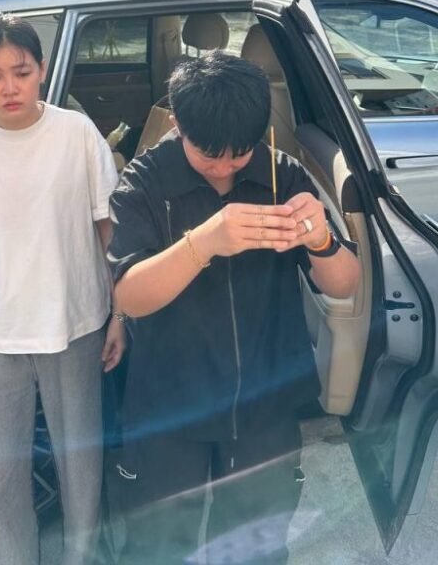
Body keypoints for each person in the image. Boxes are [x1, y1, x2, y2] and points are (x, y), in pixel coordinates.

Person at [108, 51, 361, 564]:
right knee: (158, 546)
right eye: (209, 154)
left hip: (265, 400)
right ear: (177, 125)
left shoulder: (281, 175)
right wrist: (205, 241)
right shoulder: (145, 182)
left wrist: (321, 241)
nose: (224, 166)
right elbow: (129, 295)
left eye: (239, 154)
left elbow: (345, 283)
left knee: (255, 545)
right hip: (169, 404)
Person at [0, 13, 125, 565]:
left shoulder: (76, 134)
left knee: (81, 463)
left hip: (75, 323)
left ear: (42, 69)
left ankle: (82, 555)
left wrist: (120, 315)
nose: (9, 87)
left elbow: (107, 231)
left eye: (21, 72)